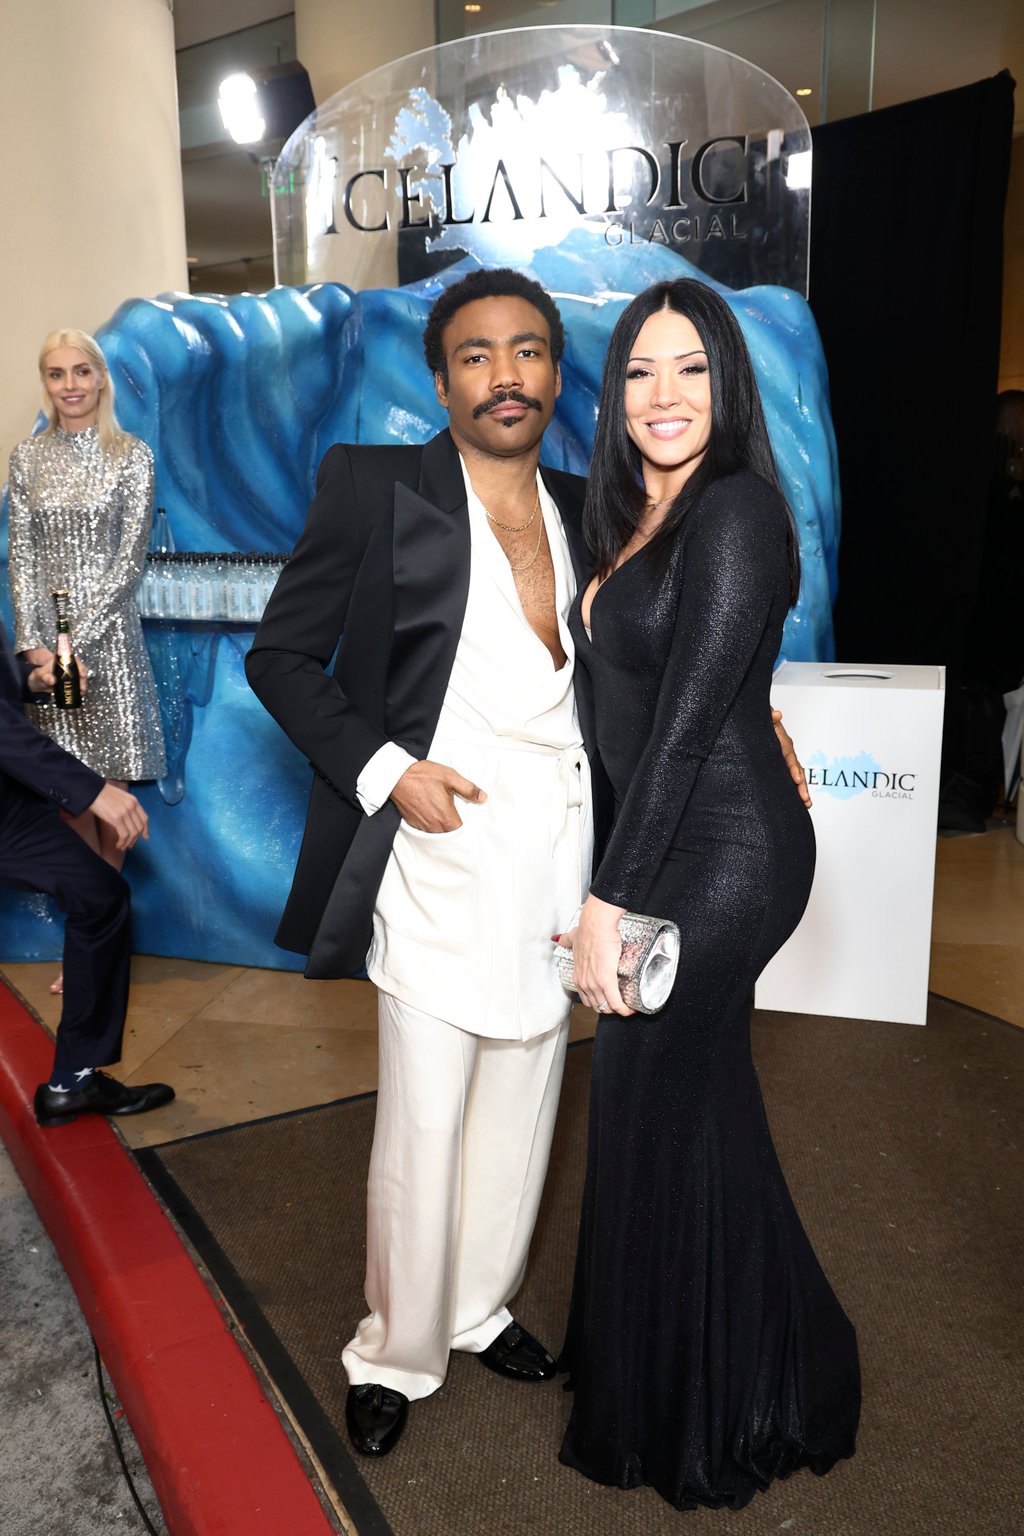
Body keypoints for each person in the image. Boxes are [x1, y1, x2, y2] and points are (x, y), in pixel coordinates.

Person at [246, 268, 808, 1460]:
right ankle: (394, 1349)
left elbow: (675, 657)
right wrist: (385, 770)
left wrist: (760, 726)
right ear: (438, 376)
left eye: (528, 352)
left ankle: (479, 1306)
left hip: (576, 858)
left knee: (529, 1101)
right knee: (425, 1119)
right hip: (440, 854)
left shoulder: (592, 502)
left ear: (558, 375)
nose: (504, 375)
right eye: (474, 354)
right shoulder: (371, 485)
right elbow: (280, 659)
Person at [557, 278, 861, 1509]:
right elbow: (662, 696)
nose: (663, 395)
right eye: (638, 371)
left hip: (728, 851)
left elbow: (683, 730)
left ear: (725, 384)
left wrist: (606, 904)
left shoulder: (732, 510)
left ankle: (741, 1388)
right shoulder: (632, 514)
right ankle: (694, 1367)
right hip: (670, 836)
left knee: (652, 1089)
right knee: (677, 1103)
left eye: (689, 370)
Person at [7, 328, 166, 991]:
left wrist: (76, 642)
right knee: (74, 800)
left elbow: (127, 564)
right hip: (49, 656)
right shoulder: (25, 458)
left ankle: (102, 940)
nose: (69, 384)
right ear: (45, 383)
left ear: (100, 379)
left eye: (80, 372)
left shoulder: (132, 457)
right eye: (55, 373)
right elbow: (22, 557)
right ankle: (93, 938)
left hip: (111, 649)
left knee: (114, 797)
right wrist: (35, 647)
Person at [0, 616, 174, 1126]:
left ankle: (72, 1081)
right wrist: (90, 790)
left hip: (9, 807)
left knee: (100, 895)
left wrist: (31, 679)